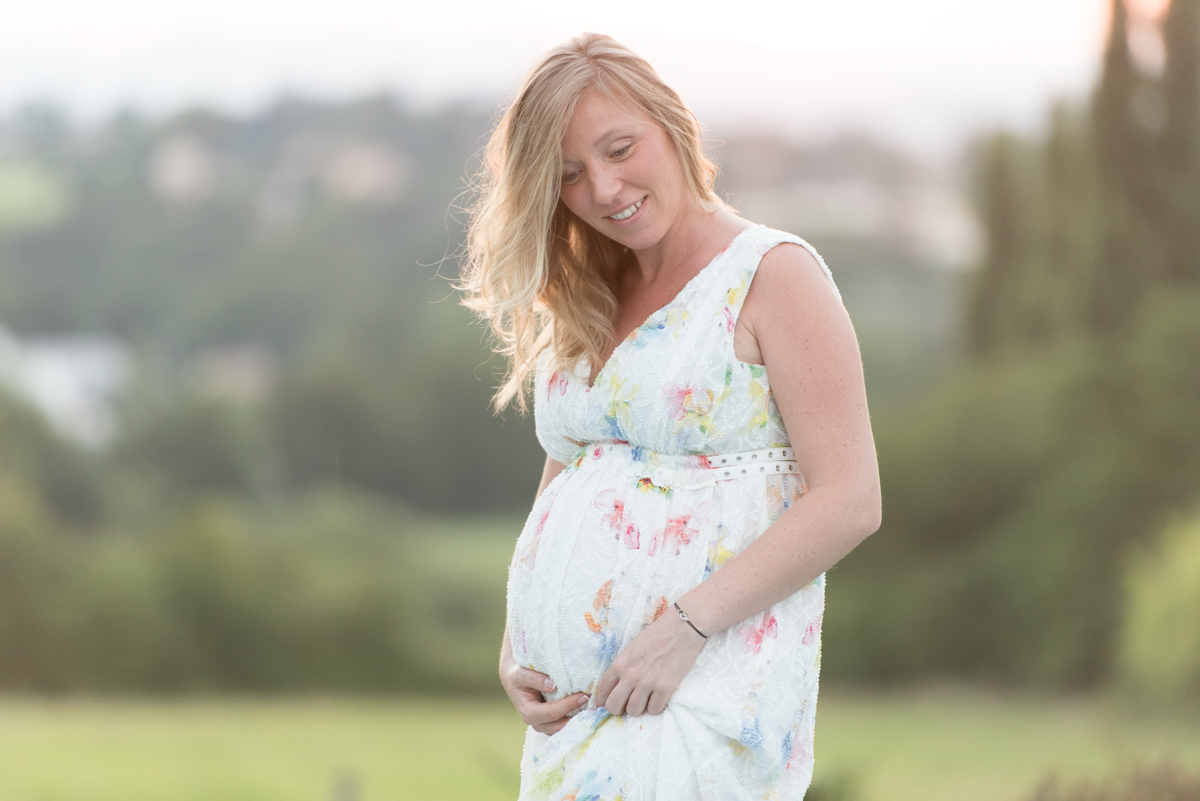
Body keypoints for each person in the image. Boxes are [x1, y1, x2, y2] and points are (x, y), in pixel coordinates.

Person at [459, 32, 881, 801]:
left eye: (621, 148)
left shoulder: (771, 274)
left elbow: (850, 498)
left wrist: (684, 628)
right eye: (571, 175)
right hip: (573, 719)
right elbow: (575, 459)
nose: (606, 187)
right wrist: (518, 638)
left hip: (700, 693)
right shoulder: (589, 287)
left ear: (671, 123)